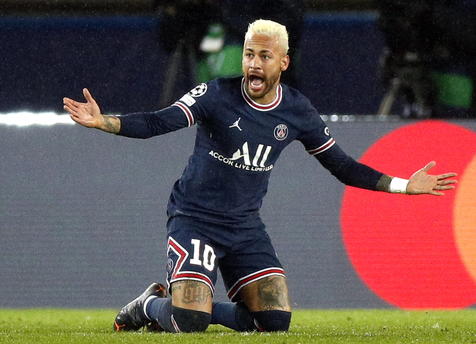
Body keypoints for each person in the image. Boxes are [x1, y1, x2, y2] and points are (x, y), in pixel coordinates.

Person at [63, 19, 457, 333]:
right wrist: (104, 122)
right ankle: (147, 305)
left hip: (243, 227)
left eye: (264, 56)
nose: (253, 63)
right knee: (190, 322)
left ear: (282, 62)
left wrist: (405, 186)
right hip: (194, 220)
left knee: (274, 321)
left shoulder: (298, 111)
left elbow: (342, 165)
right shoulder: (215, 95)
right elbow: (157, 122)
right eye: (249, 54)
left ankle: (185, 303)